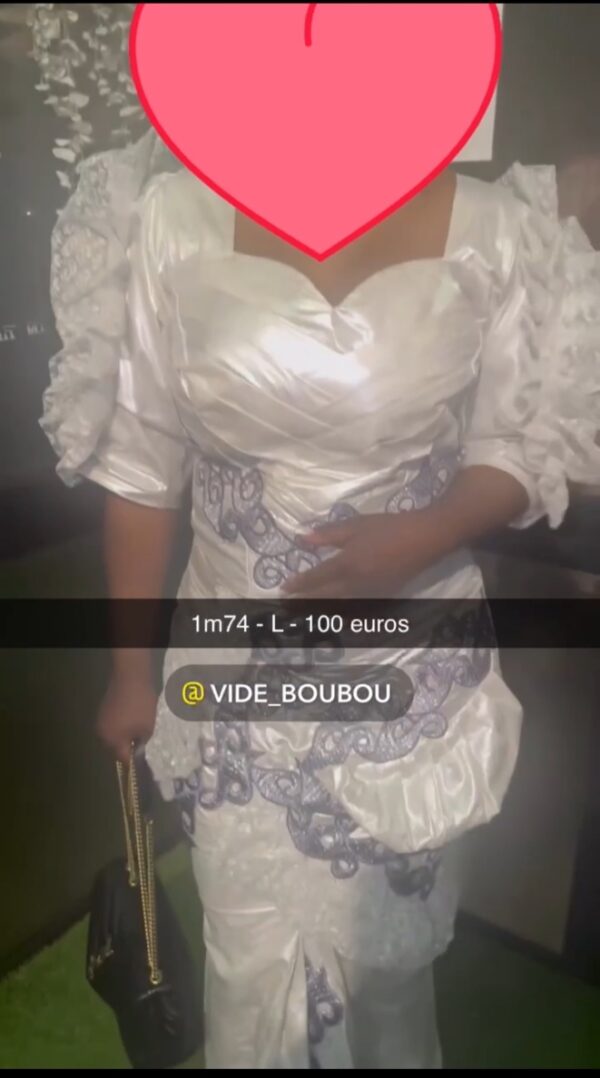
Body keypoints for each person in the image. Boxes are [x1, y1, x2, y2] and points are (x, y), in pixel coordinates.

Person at [41, 128, 600, 1068]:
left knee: (389, 970)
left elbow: (515, 445)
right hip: (235, 677)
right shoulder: (170, 215)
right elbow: (141, 467)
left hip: (407, 667)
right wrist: (130, 673)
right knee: (247, 954)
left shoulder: (500, 228)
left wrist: (424, 533)